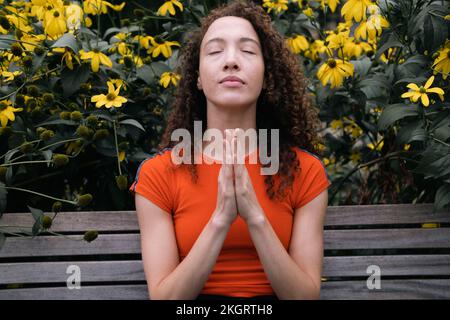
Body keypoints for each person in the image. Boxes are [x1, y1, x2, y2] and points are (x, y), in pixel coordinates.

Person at [129, 0, 331, 300]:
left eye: (248, 51)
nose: (231, 61)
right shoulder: (159, 174)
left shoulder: (304, 171)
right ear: (197, 77)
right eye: (215, 51)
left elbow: (305, 297)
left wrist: (254, 217)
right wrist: (221, 218)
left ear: (266, 77)